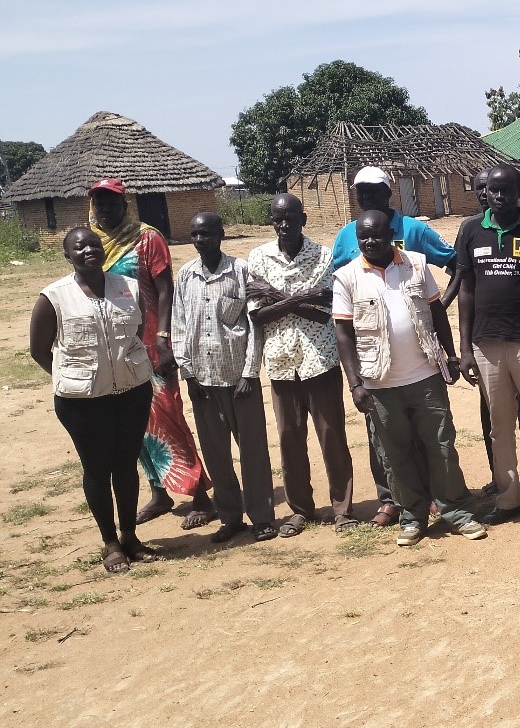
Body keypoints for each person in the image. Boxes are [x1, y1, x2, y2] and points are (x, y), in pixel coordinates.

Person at [332, 211, 486, 548]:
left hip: (425, 375)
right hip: (379, 383)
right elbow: (343, 334)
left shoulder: (416, 264)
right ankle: (412, 517)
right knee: (395, 454)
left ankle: (457, 512)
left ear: (391, 234)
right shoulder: (346, 277)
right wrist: (355, 383)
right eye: (363, 237)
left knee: (442, 447)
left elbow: (436, 312)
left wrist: (450, 354)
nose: (369, 242)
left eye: (376, 235)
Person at [330, 166, 462, 524]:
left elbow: (454, 265)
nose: (367, 197)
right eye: (361, 191)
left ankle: (437, 498)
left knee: (431, 436)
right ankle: (392, 500)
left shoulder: (414, 231)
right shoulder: (347, 236)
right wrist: (355, 379)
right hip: (375, 362)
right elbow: (340, 287)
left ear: (390, 193)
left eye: (374, 190)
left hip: (420, 361)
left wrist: (434, 309)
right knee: (386, 440)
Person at [29, 227, 157, 573]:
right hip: (82, 402)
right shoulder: (54, 296)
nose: (89, 250)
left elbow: (137, 331)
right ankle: (110, 543)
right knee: (98, 469)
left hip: (132, 392)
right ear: (68, 256)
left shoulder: (126, 288)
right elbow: (40, 351)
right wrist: (78, 379)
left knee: (126, 465)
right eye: (79, 247)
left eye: (94, 245)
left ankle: (130, 536)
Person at [88, 179, 214, 528]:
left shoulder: (147, 238)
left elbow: (164, 289)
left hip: (151, 343)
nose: (106, 209)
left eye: (112, 203)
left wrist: (162, 337)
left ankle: (201, 494)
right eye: (100, 203)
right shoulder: (92, 243)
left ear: (125, 204)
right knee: (134, 425)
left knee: (168, 418)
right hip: (116, 348)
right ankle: (159, 493)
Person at [454, 163, 520, 530]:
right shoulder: (470, 230)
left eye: (506, 190)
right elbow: (465, 292)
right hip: (486, 345)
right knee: (499, 428)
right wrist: (465, 347)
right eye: (493, 191)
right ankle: (508, 498)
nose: (498, 197)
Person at [247, 194, 357, 535]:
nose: (284, 225)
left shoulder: (324, 257)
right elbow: (258, 314)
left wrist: (275, 295)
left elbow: (323, 312)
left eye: (291, 218)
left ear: (303, 219)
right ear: (271, 222)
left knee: (332, 436)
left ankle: (343, 509)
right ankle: (300, 510)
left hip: (319, 359)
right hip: (281, 361)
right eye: (278, 219)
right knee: (289, 438)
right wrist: (303, 297)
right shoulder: (258, 257)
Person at [172, 213, 278, 544]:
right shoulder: (186, 275)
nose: (200, 239)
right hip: (202, 383)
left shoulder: (241, 271)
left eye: (207, 233)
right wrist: (188, 374)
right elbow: (179, 326)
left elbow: (254, 325)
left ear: (221, 234)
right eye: (195, 234)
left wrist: (250, 372)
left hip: (239, 381)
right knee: (216, 455)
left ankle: (261, 517)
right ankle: (230, 517)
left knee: (254, 453)